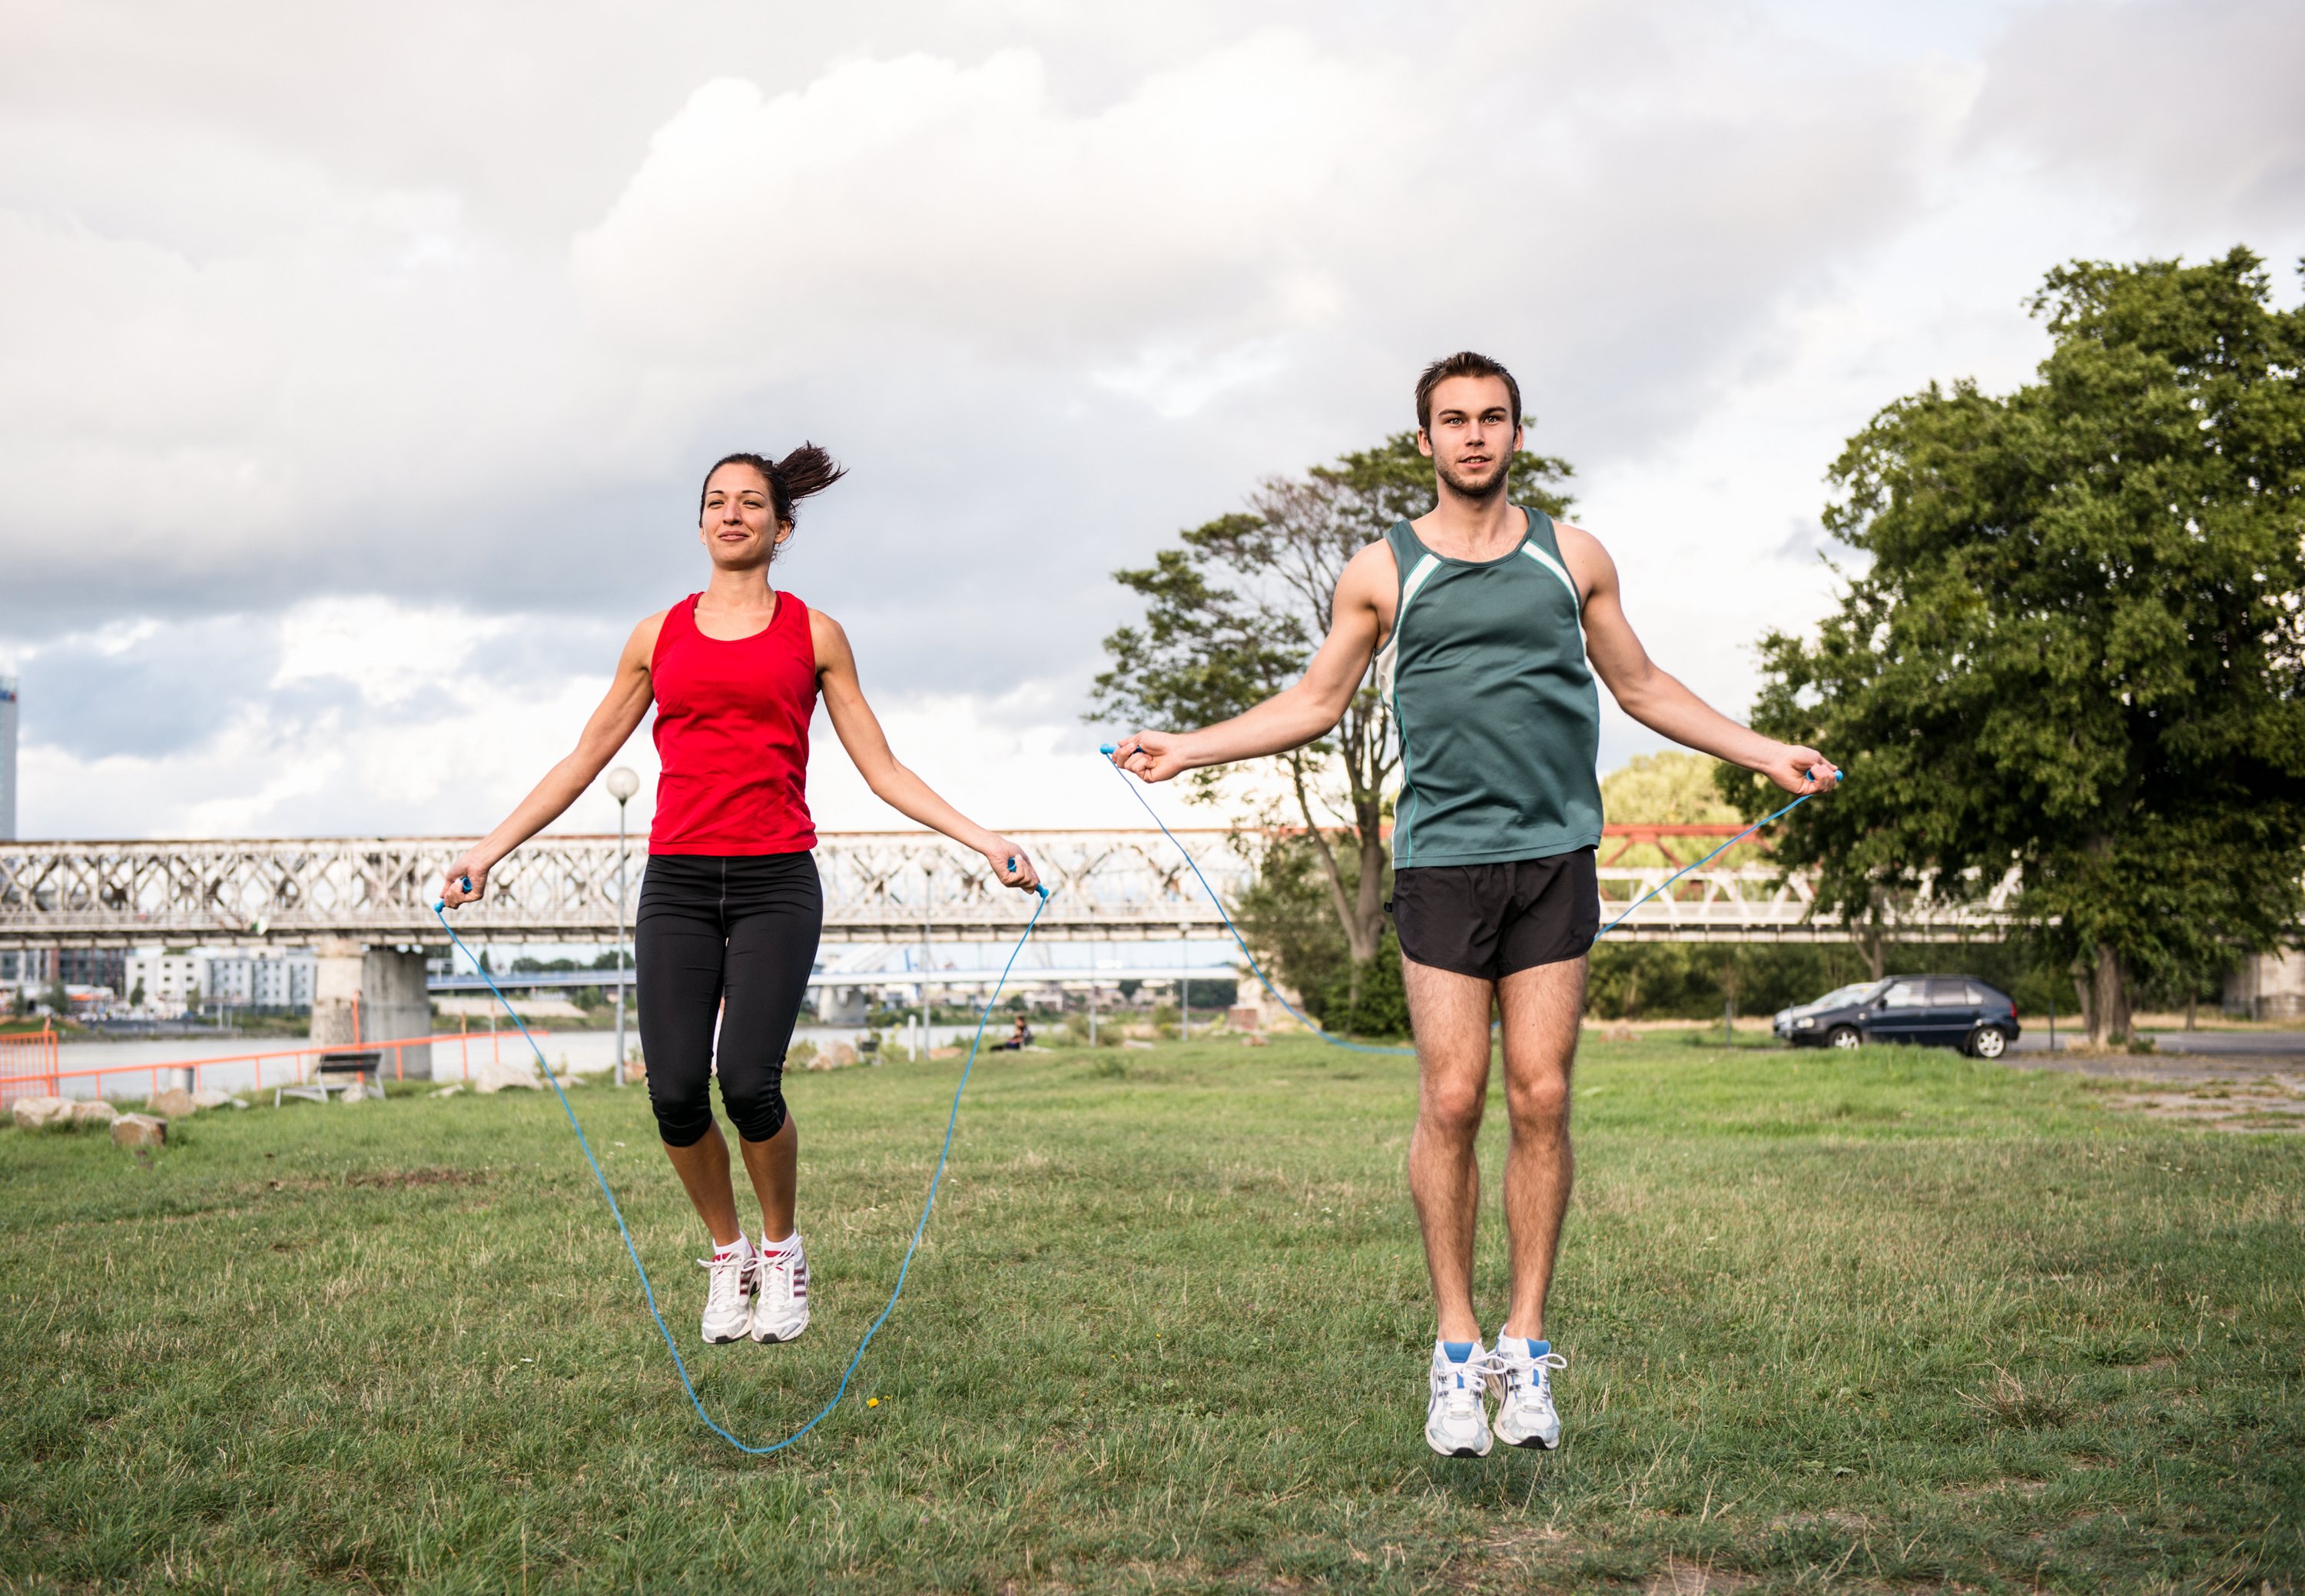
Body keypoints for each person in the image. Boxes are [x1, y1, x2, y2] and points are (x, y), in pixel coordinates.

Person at [1109, 353, 1837, 1458]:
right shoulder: (1382, 570)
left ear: (1517, 434)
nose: (1475, 436)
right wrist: (1187, 747)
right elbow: (1315, 702)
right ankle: (1456, 1351)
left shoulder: (1572, 556)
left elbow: (1640, 685)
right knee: (1453, 1098)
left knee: (1541, 1096)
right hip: (1444, 861)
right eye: (1454, 421)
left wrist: (1759, 751)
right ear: (1426, 443)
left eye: (1492, 418)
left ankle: (1525, 1348)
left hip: (1554, 855)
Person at [440, 447, 1041, 1347]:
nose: (732, 515)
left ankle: (783, 1248)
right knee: (677, 1092)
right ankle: (728, 1256)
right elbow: (583, 760)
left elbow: (881, 768)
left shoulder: (816, 634)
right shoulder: (656, 636)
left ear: (781, 527)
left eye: (751, 503)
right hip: (677, 882)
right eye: (717, 502)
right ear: (700, 524)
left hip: (775, 882)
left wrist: (985, 838)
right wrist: (488, 851)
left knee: (748, 1083)